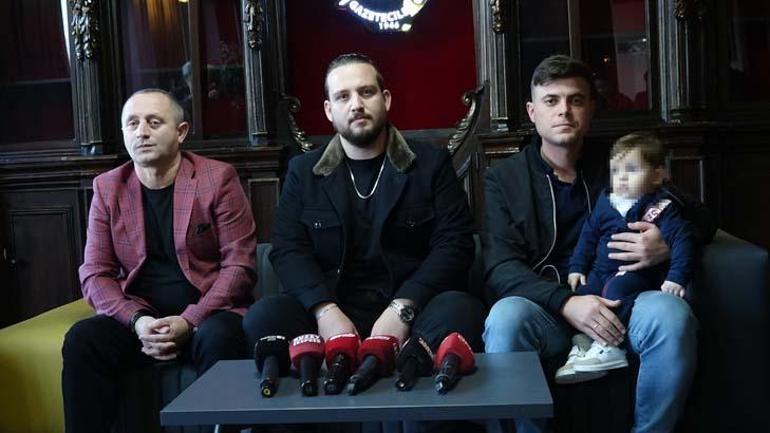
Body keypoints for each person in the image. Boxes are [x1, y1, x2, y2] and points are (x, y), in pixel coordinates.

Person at [242, 53, 485, 429]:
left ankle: (408, 369)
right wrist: (324, 310)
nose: (356, 104)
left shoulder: (429, 164)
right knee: (263, 316)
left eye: (366, 92)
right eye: (343, 96)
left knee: (462, 309)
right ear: (329, 110)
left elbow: (455, 245)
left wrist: (403, 308)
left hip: (413, 309)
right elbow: (288, 249)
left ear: (385, 99)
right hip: (333, 310)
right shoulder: (304, 172)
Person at [482, 55, 714, 433]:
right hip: (547, 306)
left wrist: (667, 245)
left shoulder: (621, 161)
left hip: (627, 296)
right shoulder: (504, 178)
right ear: (532, 112)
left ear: (590, 109)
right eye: (551, 101)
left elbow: (701, 218)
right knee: (504, 318)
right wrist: (567, 303)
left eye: (575, 100)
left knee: (672, 315)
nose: (564, 111)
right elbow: (500, 266)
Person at [62, 89, 257, 433]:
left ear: (181, 132)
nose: (141, 132)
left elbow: (239, 267)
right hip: (141, 321)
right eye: (132, 124)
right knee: (83, 339)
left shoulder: (217, 179)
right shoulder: (108, 188)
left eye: (154, 123)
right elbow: (95, 274)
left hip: (207, 315)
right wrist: (137, 321)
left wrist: (189, 320)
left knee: (222, 337)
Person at [555, 132, 697, 383]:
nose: (621, 177)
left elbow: (682, 241)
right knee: (583, 295)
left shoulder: (661, 207)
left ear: (657, 175)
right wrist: (577, 267)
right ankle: (582, 346)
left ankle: (611, 347)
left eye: (631, 170)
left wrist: (676, 278)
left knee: (616, 293)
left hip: (634, 272)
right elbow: (588, 236)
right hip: (600, 271)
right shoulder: (606, 202)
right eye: (616, 170)